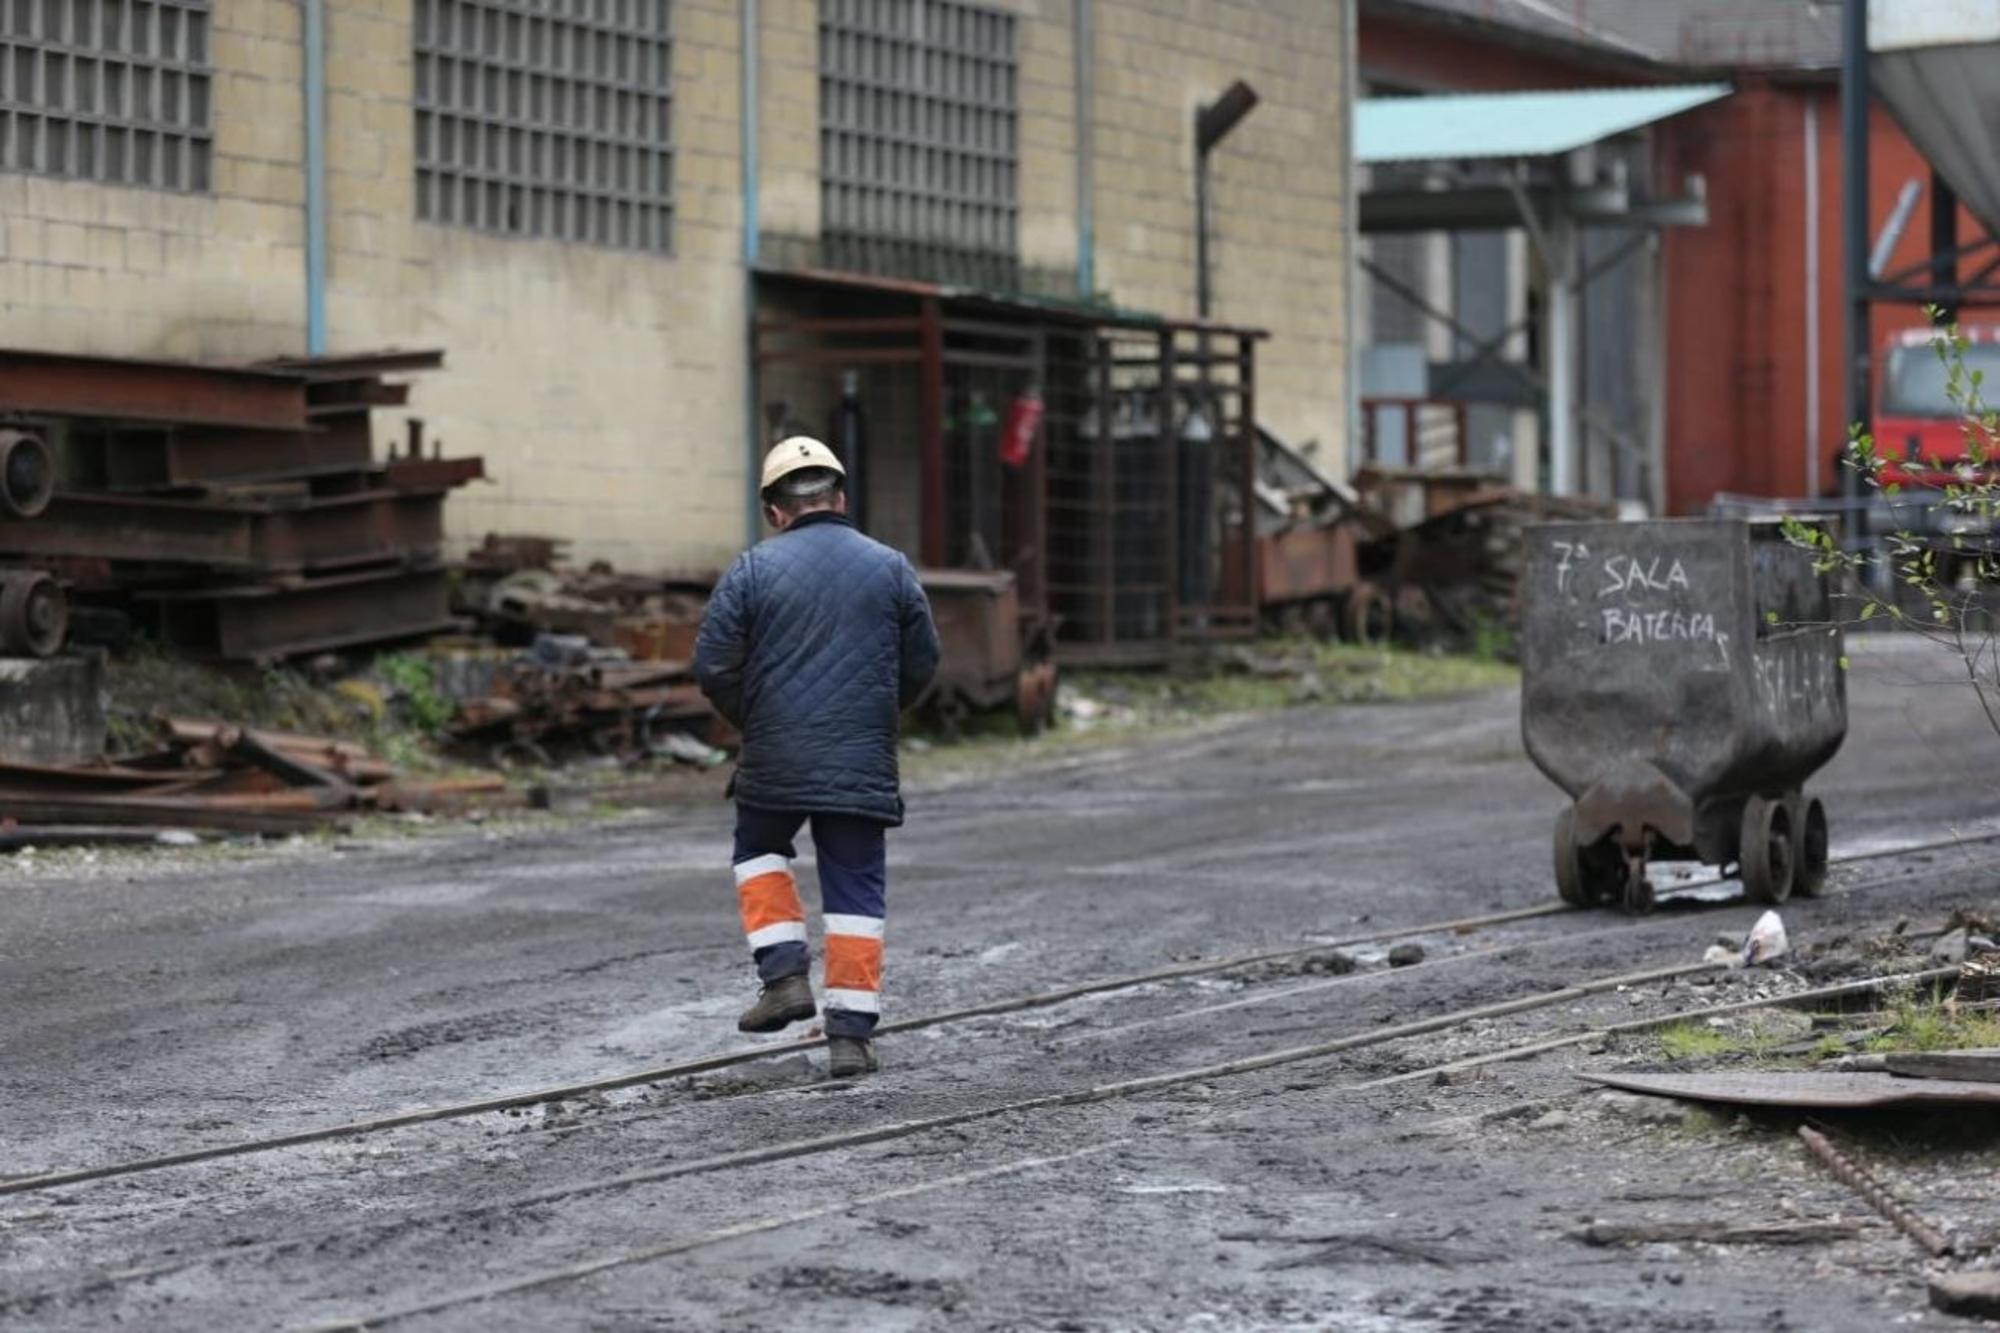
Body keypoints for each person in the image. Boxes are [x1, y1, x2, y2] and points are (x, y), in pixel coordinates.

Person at [694, 436, 941, 1078]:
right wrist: (877, 714)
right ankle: (850, 1039)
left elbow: (712, 664)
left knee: (758, 850)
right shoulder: (890, 567)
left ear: (775, 511)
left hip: (774, 753)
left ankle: (783, 977)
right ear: (840, 497)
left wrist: (759, 719)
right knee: (855, 890)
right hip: (860, 755)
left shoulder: (751, 569)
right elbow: (923, 661)